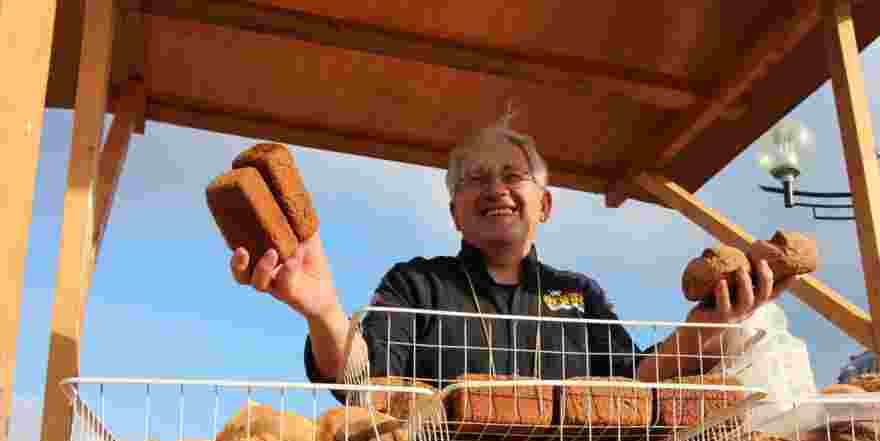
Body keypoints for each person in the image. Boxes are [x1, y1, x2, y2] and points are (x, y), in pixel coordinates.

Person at [228, 116, 793, 400]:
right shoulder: (417, 284)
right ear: (455, 212)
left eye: (512, 176)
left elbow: (635, 380)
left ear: (543, 205)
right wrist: (324, 312)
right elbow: (362, 378)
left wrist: (711, 325)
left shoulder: (581, 293)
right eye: (475, 180)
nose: (495, 189)